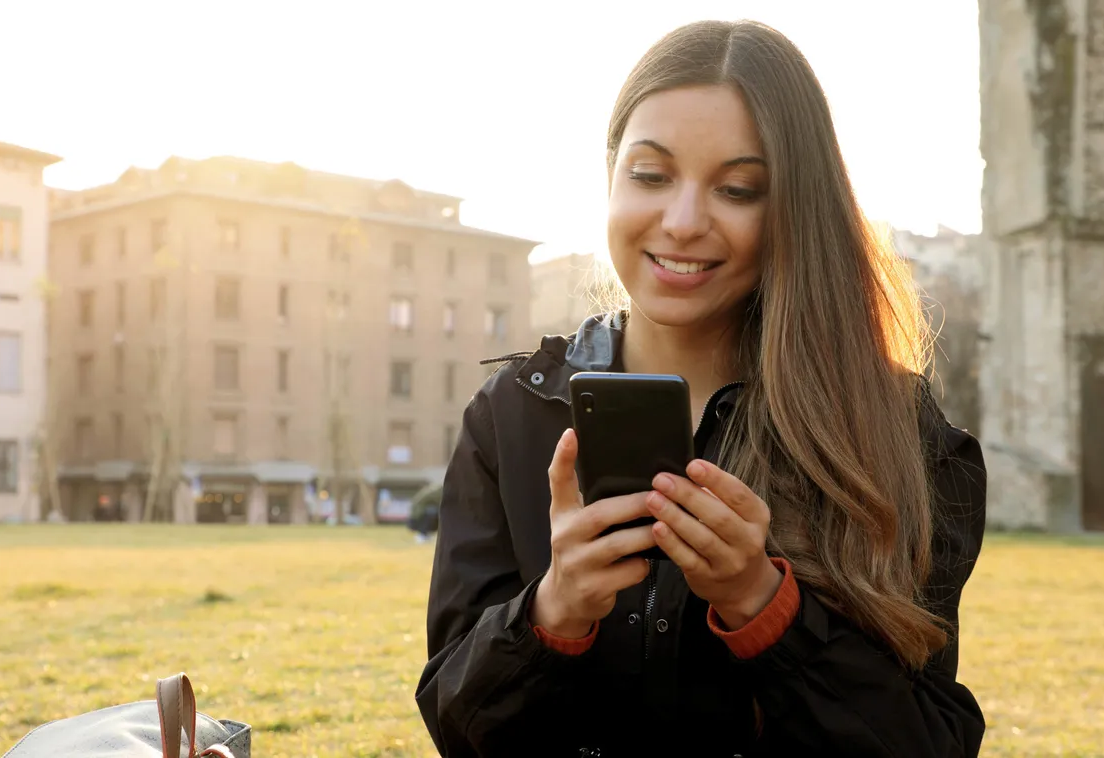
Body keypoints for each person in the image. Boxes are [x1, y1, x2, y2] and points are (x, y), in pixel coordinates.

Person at [415, 19, 987, 758]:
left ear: (792, 209)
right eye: (650, 175)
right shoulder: (513, 415)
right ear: (610, 174)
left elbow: (928, 745)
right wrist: (550, 616)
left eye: (737, 189)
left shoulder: (897, 434)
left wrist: (763, 606)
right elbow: (457, 728)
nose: (682, 222)